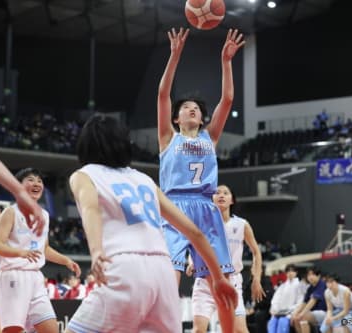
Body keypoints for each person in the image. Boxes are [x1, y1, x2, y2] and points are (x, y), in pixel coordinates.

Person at [65, 114, 237, 333]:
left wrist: (97, 250)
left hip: (124, 265)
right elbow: (195, 232)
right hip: (163, 272)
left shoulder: (84, 175)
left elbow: (91, 209)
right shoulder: (144, 179)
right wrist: (219, 277)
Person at [157, 27, 245, 331]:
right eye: (185, 108)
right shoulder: (167, 138)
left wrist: (226, 61)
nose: (191, 109)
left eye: (196, 108)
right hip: (174, 207)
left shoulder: (210, 137)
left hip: (206, 209)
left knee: (219, 284)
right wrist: (175, 55)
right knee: (170, 281)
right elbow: (163, 94)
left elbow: (229, 98)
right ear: (176, 118)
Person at [0, 167, 81, 333]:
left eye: (39, 181)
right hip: (13, 277)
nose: (37, 183)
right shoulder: (10, 212)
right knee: (12, 331)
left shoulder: (44, 216)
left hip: (36, 279)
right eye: (31, 180)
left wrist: (66, 260)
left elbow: (44, 249)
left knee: (52, 330)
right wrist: (20, 252)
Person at [188, 184, 265, 333]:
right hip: (205, 281)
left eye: (225, 193)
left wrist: (256, 279)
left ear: (232, 200)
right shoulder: (202, 223)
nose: (221, 195)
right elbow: (194, 247)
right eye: (217, 193)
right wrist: (192, 262)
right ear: (212, 199)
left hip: (232, 281)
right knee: (198, 330)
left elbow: (256, 252)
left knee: (240, 331)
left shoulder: (242, 225)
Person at [268, 264, 304, 333]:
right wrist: (274, 309)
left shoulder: (299, 285)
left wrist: (290, 311)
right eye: (288, 271)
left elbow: (300, 302)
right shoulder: (282, 286)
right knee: (272, 322)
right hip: (279, 312)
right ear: (286, 273)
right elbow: (275, 299)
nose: (290, 273)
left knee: (282, 321)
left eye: (292, 271)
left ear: (296, 273)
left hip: (290, 313)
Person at [290, 267, 327, 333]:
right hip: (313, 313)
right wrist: (294, 314)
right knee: (296, 318)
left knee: (303, 317)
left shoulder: (321, 284)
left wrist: (301, 314)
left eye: (313, 274)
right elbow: (304, 303)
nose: (310, 277)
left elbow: (313, 301)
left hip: (325, 313)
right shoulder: (310, 288)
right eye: (309, 275)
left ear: (318, 275)